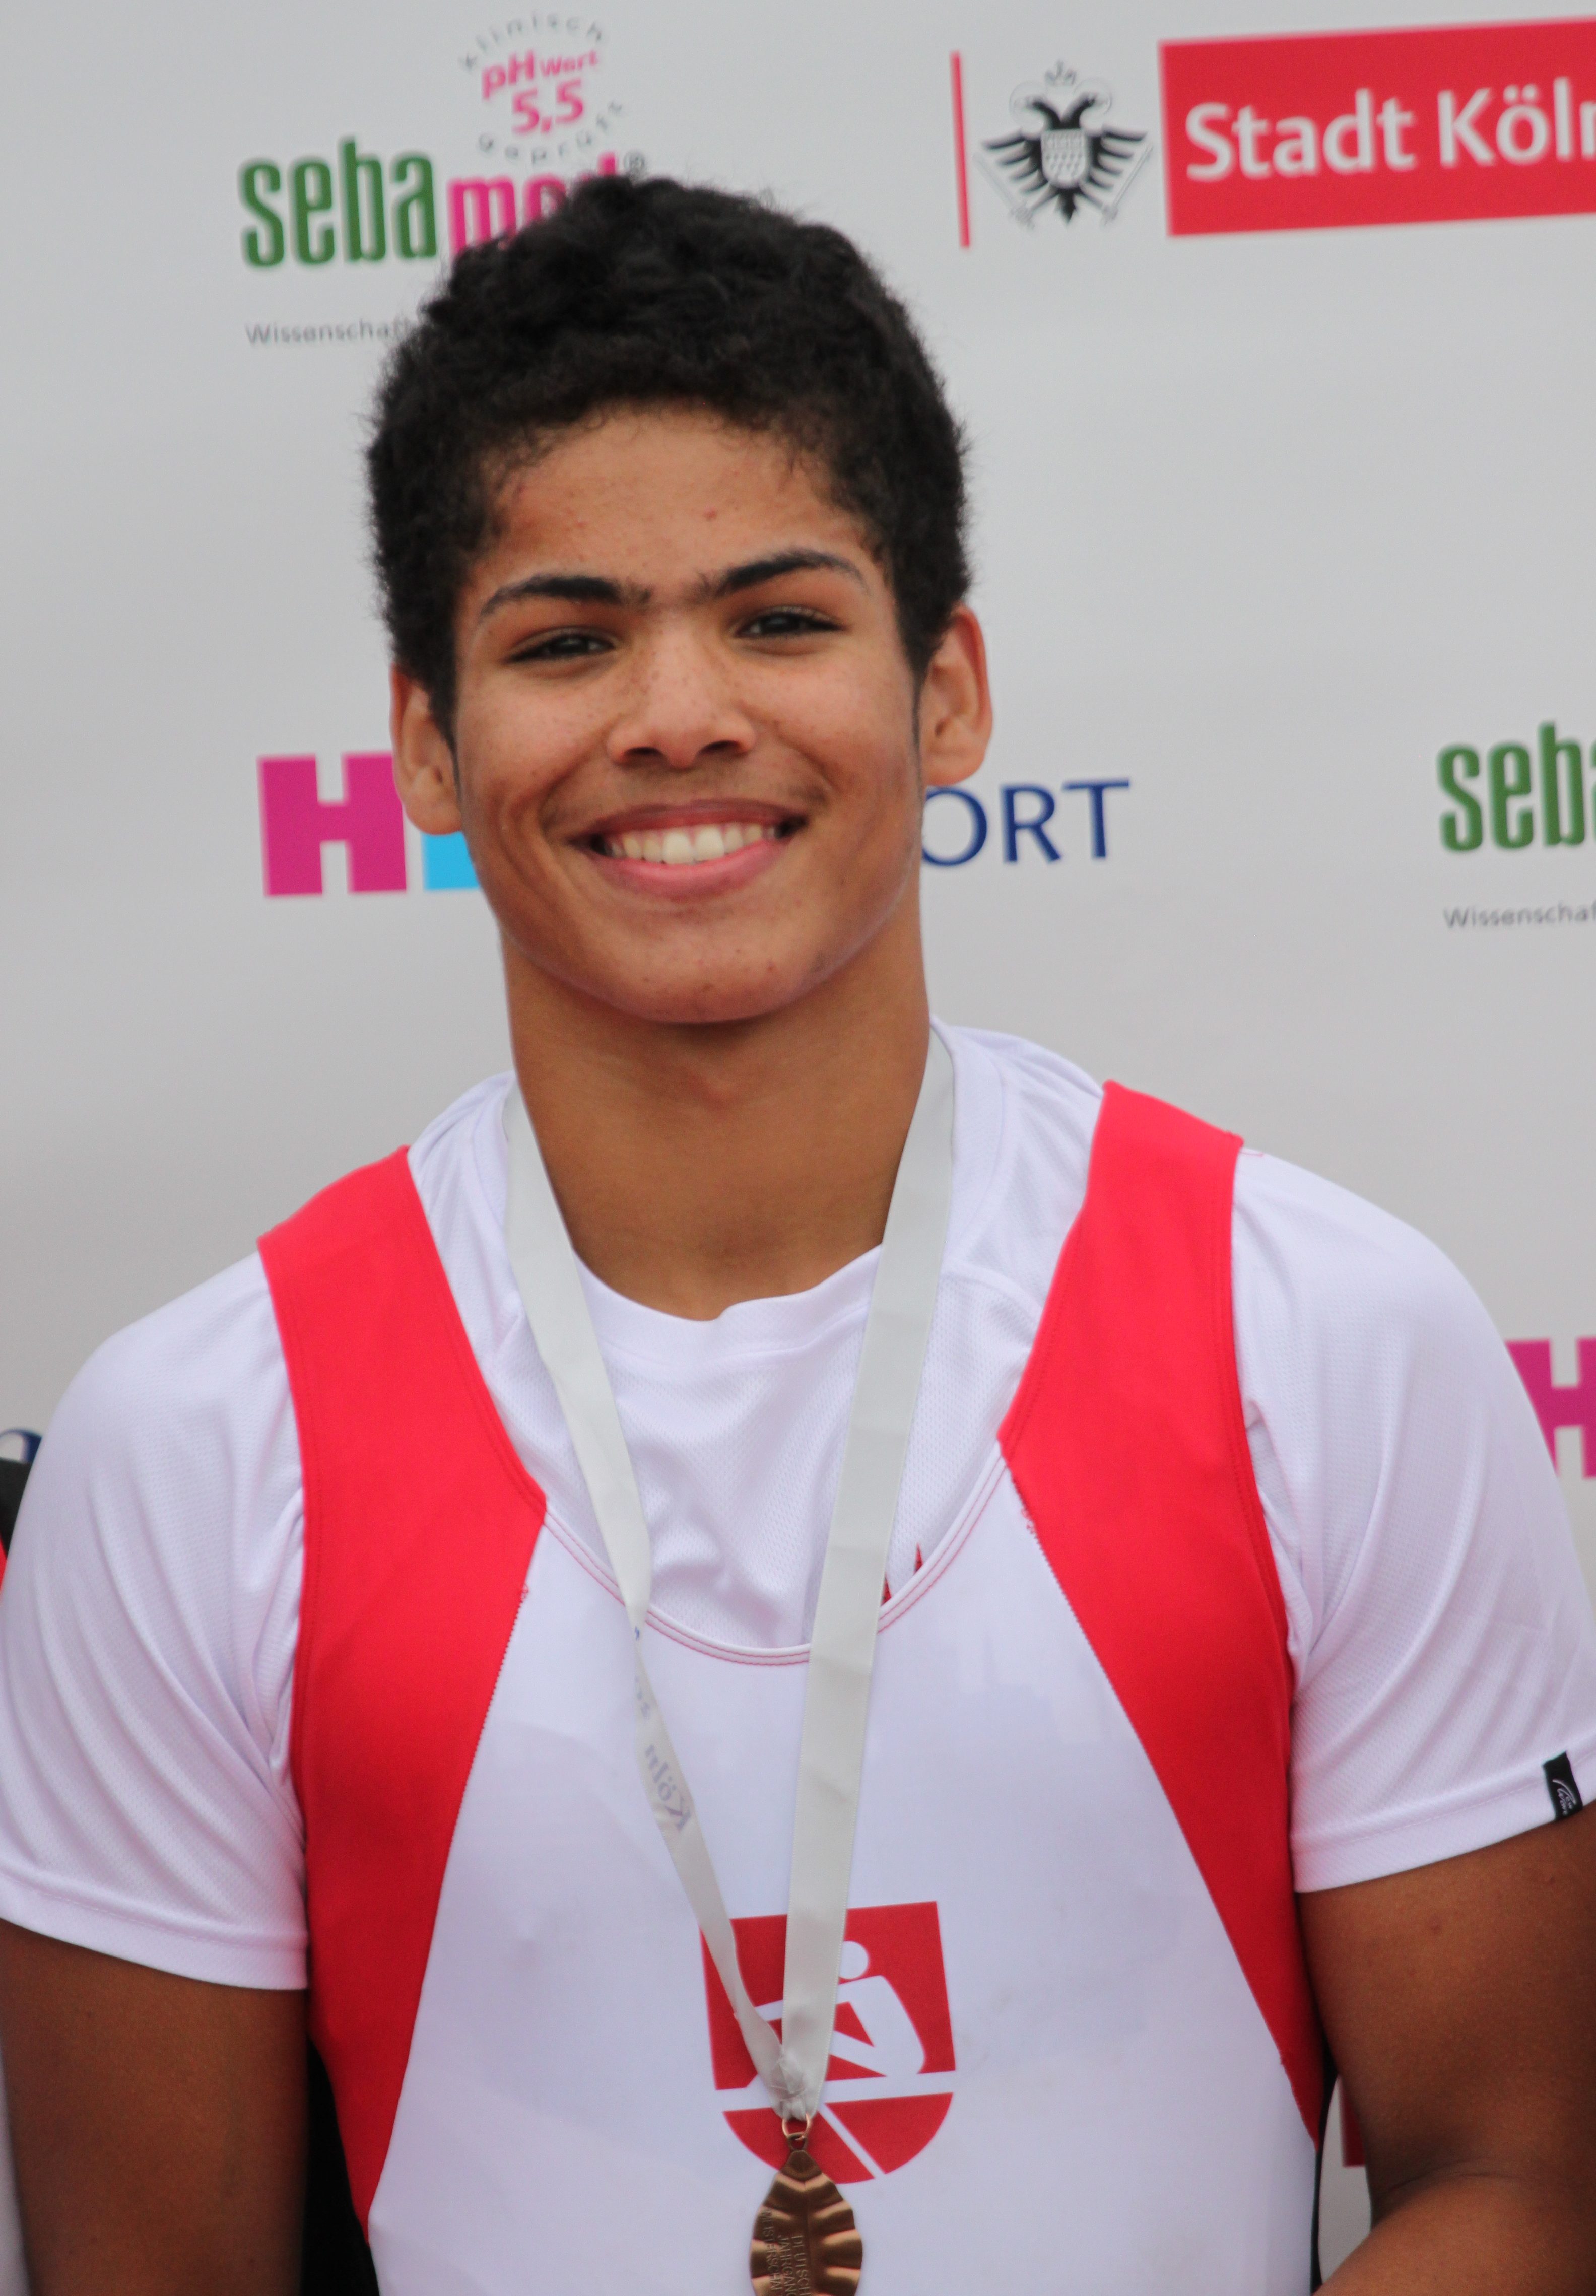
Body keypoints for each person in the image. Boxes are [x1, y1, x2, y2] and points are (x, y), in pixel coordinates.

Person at [0, 175, 1593, 2296]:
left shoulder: (1322, 1336)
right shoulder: (198, 1445)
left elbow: (1519, 2185)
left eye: (777, 619)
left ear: (950, 695)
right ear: (426, 748)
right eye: (566, 640)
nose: (678, 712)